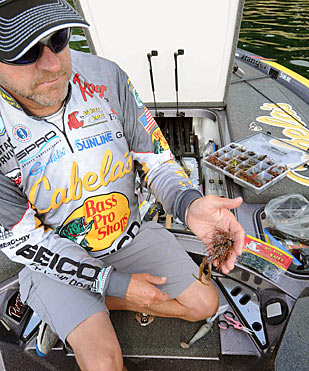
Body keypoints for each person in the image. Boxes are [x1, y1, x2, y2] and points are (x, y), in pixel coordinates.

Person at [0, 1, 245, 370]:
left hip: (127, 237)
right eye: (27, 51)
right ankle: (55, 299)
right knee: (103, 363)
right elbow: (24, 241)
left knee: (205, 305)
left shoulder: (106, 76)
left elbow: (157, 161)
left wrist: (188, 203)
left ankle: (67, 312)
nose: (52, 63)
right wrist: (110, 282)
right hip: (55, 258)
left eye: (59, 39)